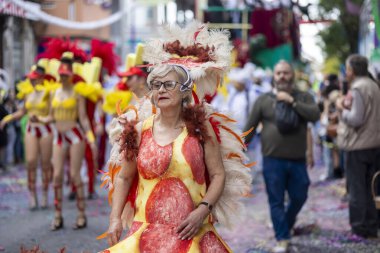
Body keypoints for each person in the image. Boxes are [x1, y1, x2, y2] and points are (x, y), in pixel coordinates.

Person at [99, 22, 252, 252]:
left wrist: (202, 210)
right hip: (147, 234)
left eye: (168, 84)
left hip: (193, 234)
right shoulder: (139, 130)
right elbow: (123, 178)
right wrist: (115, 219)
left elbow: (218, 174)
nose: (161, 90)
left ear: (184, 91)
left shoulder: (202, 128)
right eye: (156, 85)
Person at [243, 60, 320, 253]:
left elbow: (315, 115)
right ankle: (282, 238)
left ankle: (285, 223)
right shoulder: (264, 100)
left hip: (297, 160)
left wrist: (292, 101)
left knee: (300, 196)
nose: (282, 76)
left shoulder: (303, 97)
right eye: (278, 73)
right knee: (275, 200)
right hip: (272, 160)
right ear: (274, 77)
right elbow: (250, 128)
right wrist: (236, 149)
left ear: (292, 75)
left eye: (285, 73)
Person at [45, 52, 97, 230]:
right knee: (57, 175)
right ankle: (58, 215)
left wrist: (91, 139)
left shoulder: (77, 93)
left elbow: (83, 119)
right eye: (61, 75)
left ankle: (81, 214)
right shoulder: (54, 93)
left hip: (75, 135)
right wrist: (38, 119)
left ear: (71, 75)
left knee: (75, 175)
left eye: (66, 75)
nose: (63, 78)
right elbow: (50, 117)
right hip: (58, 136)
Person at [336, 54, 380, 239]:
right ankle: (371, 225)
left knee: (358, 189)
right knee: (371, 188)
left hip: (359, 146)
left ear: (352, 70)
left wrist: (341, 110)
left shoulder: (358, 88)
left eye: (347, 69)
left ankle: (360, 228)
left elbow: (356, 118)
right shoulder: (374, 86)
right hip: (374, 144)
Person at [0, 65, 54, 210]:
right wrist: (7, 119)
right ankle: (32, 195)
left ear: (42, 78)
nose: (32, 81)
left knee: (45, 164)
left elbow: (52, 116)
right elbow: (22, 111)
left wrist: (41, 119)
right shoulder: (27, 94)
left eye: (35, 78)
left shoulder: (49, 93)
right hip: (31, 129)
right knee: (30, 162)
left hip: (45, 130)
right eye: (31, 78)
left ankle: (43, 194)